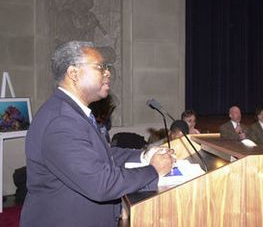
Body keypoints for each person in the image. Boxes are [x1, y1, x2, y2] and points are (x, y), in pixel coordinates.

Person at [20, 41, 174, 227]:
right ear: (73, 73)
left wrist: (143, 156)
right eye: (100, 67)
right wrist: (153, 170)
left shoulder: (72, 113)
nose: (107, 72)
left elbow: (103, 155)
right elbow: (101, 184)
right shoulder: (62, 121)